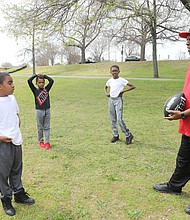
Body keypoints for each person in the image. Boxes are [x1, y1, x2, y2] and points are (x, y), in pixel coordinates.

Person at [152, 29, 190, 215]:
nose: (187, 42)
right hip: (189, 126)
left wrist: (183, 114)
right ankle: (174, 186)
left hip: (186, 118)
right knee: (183, 160)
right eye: (187, 39)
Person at [0, 72, 35, 216]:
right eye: (9, 83)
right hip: (3, 143)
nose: (13, 85)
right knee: (3, 173)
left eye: (12, 82)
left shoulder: (12, 99)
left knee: (17, 169)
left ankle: (19, 193)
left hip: (16, 140)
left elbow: (16, 113)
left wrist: (17, 122)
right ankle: (6, 199)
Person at [104, 65, 136, 144]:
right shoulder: (110, 81)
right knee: (113, 119)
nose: (114, 72)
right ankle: (115, 135)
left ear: (119, 71)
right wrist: (107, 93)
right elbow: (105, 87)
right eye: (113, 71)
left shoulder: (122, 80)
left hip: (118, 100)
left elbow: (133, 86)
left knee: (119, 119)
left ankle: (128, 135)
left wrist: (122, 91)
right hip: (111, 100)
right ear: (110, 72)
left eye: (116, 71)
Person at [28, 74, 54, 150]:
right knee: (40, 127)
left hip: (47, 110)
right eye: (39, 82)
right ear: (36, 83)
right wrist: (35, 75)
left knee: (47, 127)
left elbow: (52, 81)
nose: (41, 84)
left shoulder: (46, 89)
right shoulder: (35, 90)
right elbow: (29, 81)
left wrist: (44, 76)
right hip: (39, 111)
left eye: (43, 82)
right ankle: (41, 141)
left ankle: (47, 142)